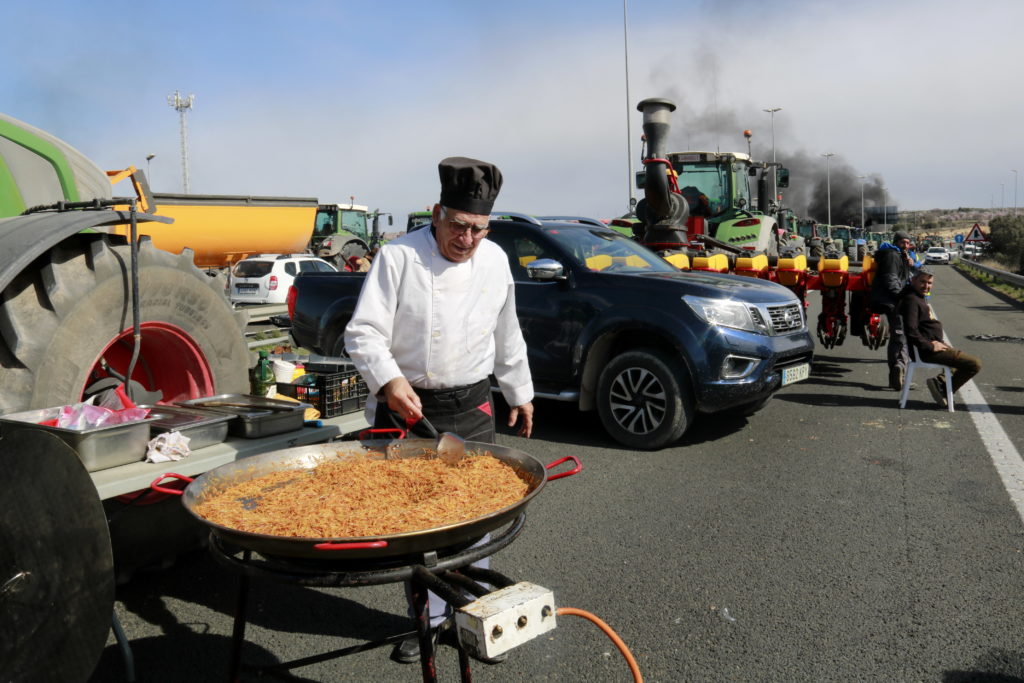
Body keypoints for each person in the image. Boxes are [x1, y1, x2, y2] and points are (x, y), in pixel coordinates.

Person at [344, 156, 534, 664]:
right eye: (458, 226)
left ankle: (474, 621)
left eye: (477, 229)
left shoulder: (494, 260)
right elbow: (362, 332)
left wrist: (520, 391)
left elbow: (506, 330)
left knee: (476, 519)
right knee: (416, 522)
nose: (467, 239)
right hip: (407, 406)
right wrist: (388, 380)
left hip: (471, 404)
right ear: (436, 213)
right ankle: (425, 623)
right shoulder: (398, 257)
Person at [900, 266, 981, 408]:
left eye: (929, 283)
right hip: (926, 352)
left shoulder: (917, 296)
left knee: (960, 360)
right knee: (974, 364)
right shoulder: (911, 300)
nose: (926, 286)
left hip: (931, 346)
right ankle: (943, 390)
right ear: (913, 280)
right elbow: (910, 330)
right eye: (922, 281)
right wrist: (931, 345)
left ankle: (940, 383)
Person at [870, 230, 917, 390]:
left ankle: (898, 373)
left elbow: (906, 277)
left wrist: (910, 264)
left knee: (899, 336)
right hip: (893, 301)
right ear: (896, 242)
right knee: (901, 336)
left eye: (907, 243)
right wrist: (902, 297)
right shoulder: (891, 255)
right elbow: (891, 279)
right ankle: (899, 370)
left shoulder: (901, 256)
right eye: (902, 242)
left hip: (895, 301)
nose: (905, 245)